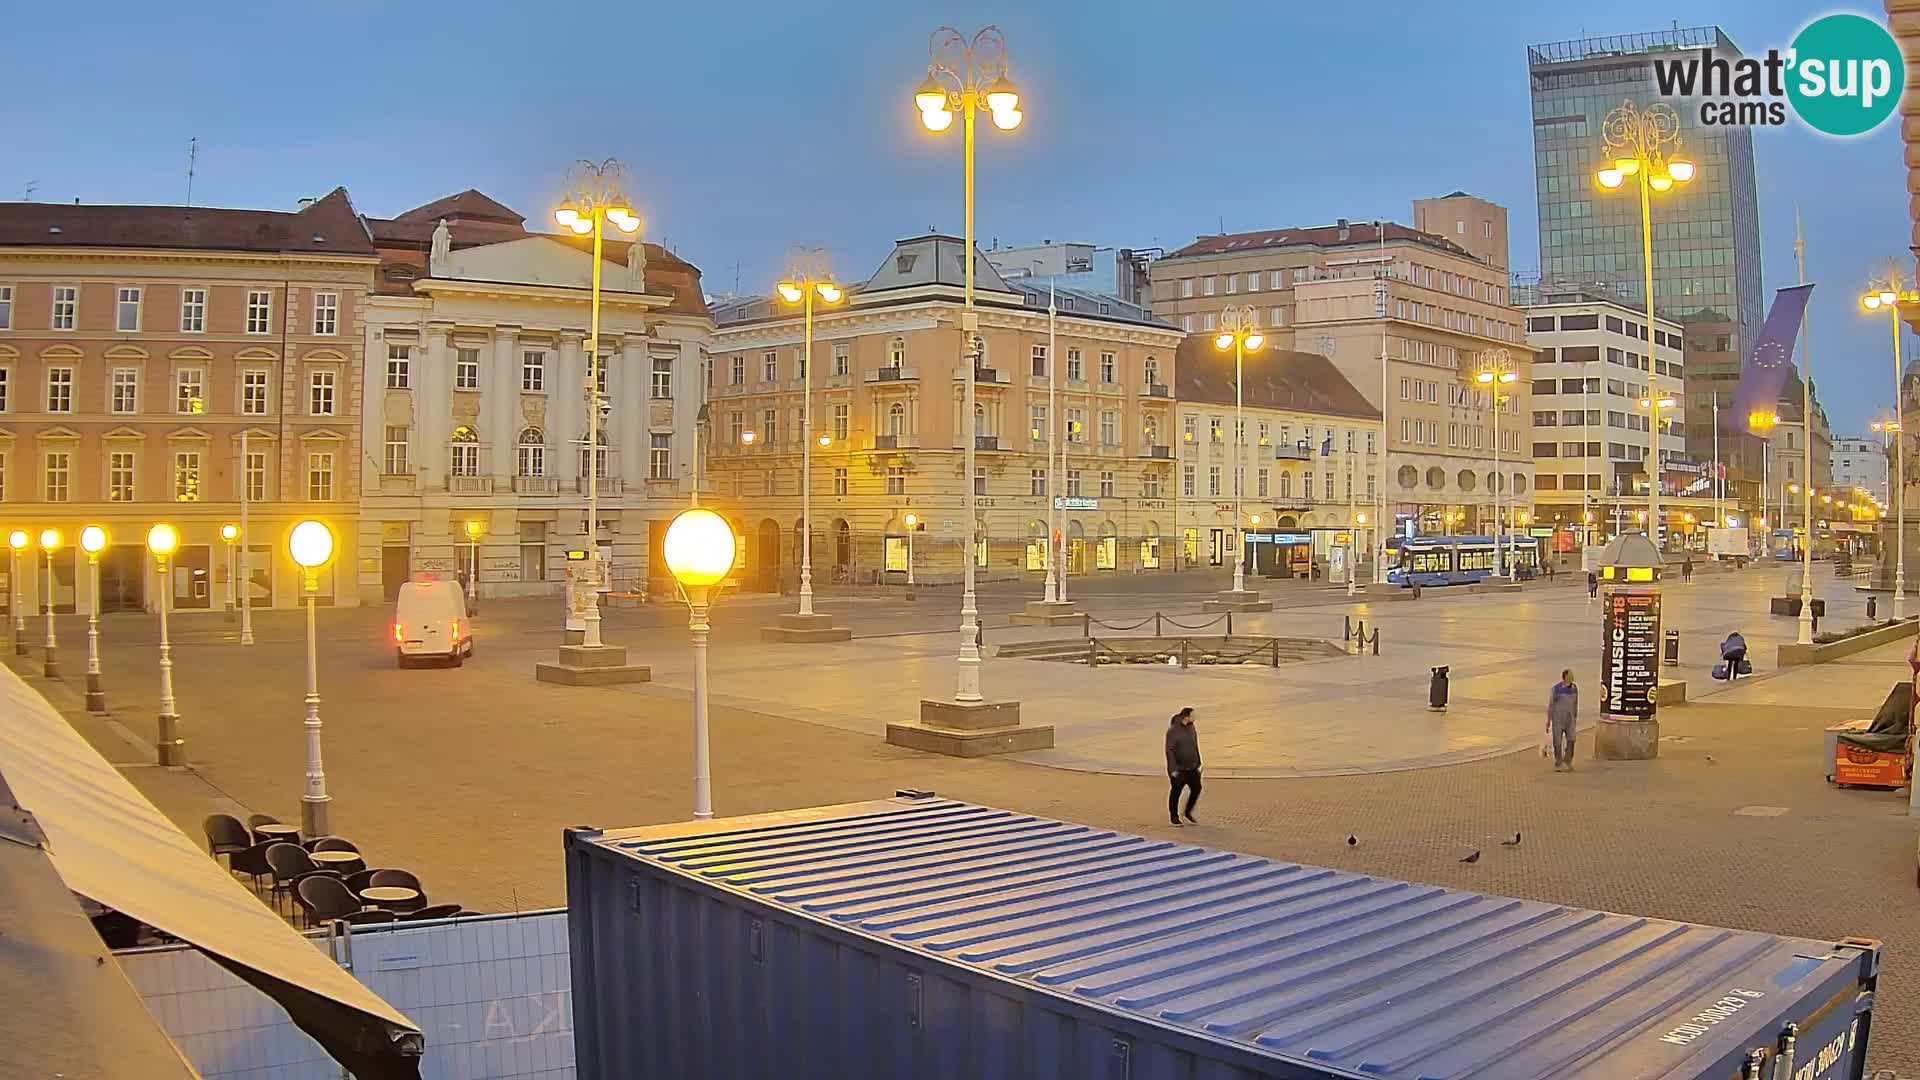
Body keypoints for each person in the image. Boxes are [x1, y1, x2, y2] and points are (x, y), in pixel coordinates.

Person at [1165, 707, 1202, 825]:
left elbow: (1195, 746)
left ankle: (1187, 812)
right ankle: (1174, 817)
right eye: (1193, 715)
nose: (1195, 717)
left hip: (1192, 767)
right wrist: (1173, 769)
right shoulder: (1173, 731)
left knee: (1197, 788)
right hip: (1178, 769)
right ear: (1186, 716)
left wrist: (1198, 762)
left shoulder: (1191, 728)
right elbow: (1169, 750)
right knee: (1176, 792)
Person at [1547, 669, 1579, 771]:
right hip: (1558, 719)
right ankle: (1558, 763)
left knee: (1572, 740)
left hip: (1570, 719)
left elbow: (1575, 703)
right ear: (1565, 677)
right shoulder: (1556, 689)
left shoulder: (1574, 688)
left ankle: (1568, 760)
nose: (1572, 677)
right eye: (1570, 675)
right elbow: (1551, 705)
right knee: (1557, 742)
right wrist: (1549, 720)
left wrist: (1575, 716)